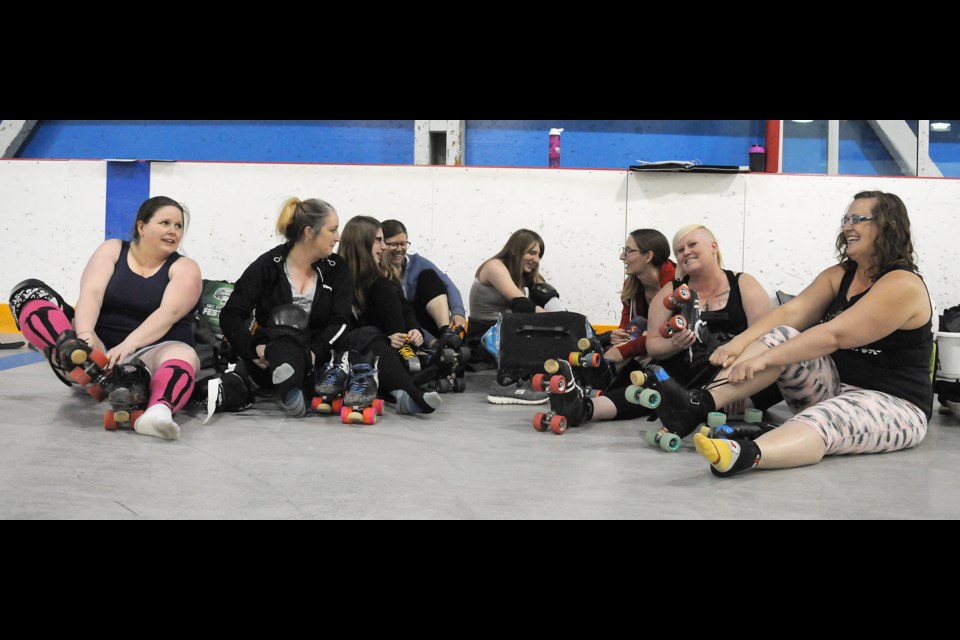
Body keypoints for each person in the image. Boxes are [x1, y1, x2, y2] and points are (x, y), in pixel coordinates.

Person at [673, 191, 934, 477]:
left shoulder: (902, 284)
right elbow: (790, 314)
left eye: (858, 219)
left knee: (826, 417)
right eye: (847, 219)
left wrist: (764, 359)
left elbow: (835, 335)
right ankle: (699, 404)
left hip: (895, 404)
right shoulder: (840, 274)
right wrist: (739, 344)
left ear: (887, 226)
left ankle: (746, 454)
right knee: (782, 333)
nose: (848, 226)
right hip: (834, 388)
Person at [531, 224, 776, 431]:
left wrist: (741, 383)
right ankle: (583, 408)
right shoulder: (669, 291)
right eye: (680, 250)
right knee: (651, 384)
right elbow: (653, 345)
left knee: (777, 373)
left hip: (737, 370)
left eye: (692, 245)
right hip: (687, 372)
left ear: (713, 246)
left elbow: (765, 336)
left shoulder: (744, 283)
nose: (685, 253)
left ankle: (726, 402)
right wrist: (673, 344)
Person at [9, 196, 202, 440]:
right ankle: (73, 353)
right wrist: (85, 336)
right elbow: (91, 293)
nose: (173, 231)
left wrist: (129, 345)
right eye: (165, 223)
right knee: (27, 293)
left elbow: (169, 314)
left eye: (178, 226)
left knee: (185, 355)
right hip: (98, 350)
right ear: (141, 227)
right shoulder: (113, 249)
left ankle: (158, 412)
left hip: (151, 350)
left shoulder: (186, 267)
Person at [219, 197, 351, 418]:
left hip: (316, 358)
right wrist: (251, 350)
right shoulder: (268, 264)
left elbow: (341, 321)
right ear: (309, 232)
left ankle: (290, 384)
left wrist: (315, 352)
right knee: (286, 325)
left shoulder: (337, 268)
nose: (338, 237)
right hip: (270, 357)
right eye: (333, 230)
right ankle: (289, 384)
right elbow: (230, 314)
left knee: (297, 330)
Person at [338, 215, 443, 414]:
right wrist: (385, 338)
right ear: (362, 243)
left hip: (384, 344)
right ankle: (412, 393)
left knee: (385, 287)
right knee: (372, 335)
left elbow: (405, 308)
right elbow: (343, 328)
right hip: (351, 347)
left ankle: (404, 374)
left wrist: (413, 329)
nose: (384, 247)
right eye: (379, 241)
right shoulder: (339, 277)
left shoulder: (382, 274)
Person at [466, 228, 564, 404]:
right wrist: (555, 320)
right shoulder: (494, 266)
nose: (536, 259)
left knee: (545, 303)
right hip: (484, 336)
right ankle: (507, 386)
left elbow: (547, 296)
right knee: (533, 322)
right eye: (532, 253)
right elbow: (519, 303)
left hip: (505, 332)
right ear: (515, 250)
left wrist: (567, 321)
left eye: (539, 255)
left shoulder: (524, 274)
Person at [602, 229, 677, 386]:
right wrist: (619, 337)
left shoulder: (677, 284)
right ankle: (600, 380)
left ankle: (602, 380)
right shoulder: (631, 284)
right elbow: (628, 325)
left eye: (628, 251)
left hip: (674, 351)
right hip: (644, 348)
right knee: (636, 326)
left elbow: (668, 334)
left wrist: (623, 351)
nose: (622, 256)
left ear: (648, 256)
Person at [380, 219, 466, 348]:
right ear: (382, 245)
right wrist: (430, 341)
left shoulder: (417, 262)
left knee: (429, 276)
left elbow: (449, 285)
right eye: (393, 244)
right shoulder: (378, 272)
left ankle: (446, 333)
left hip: (427, 321)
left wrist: (458, 313)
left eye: (403, 244)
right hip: (402, 330)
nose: (399, 249)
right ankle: (436, 346)